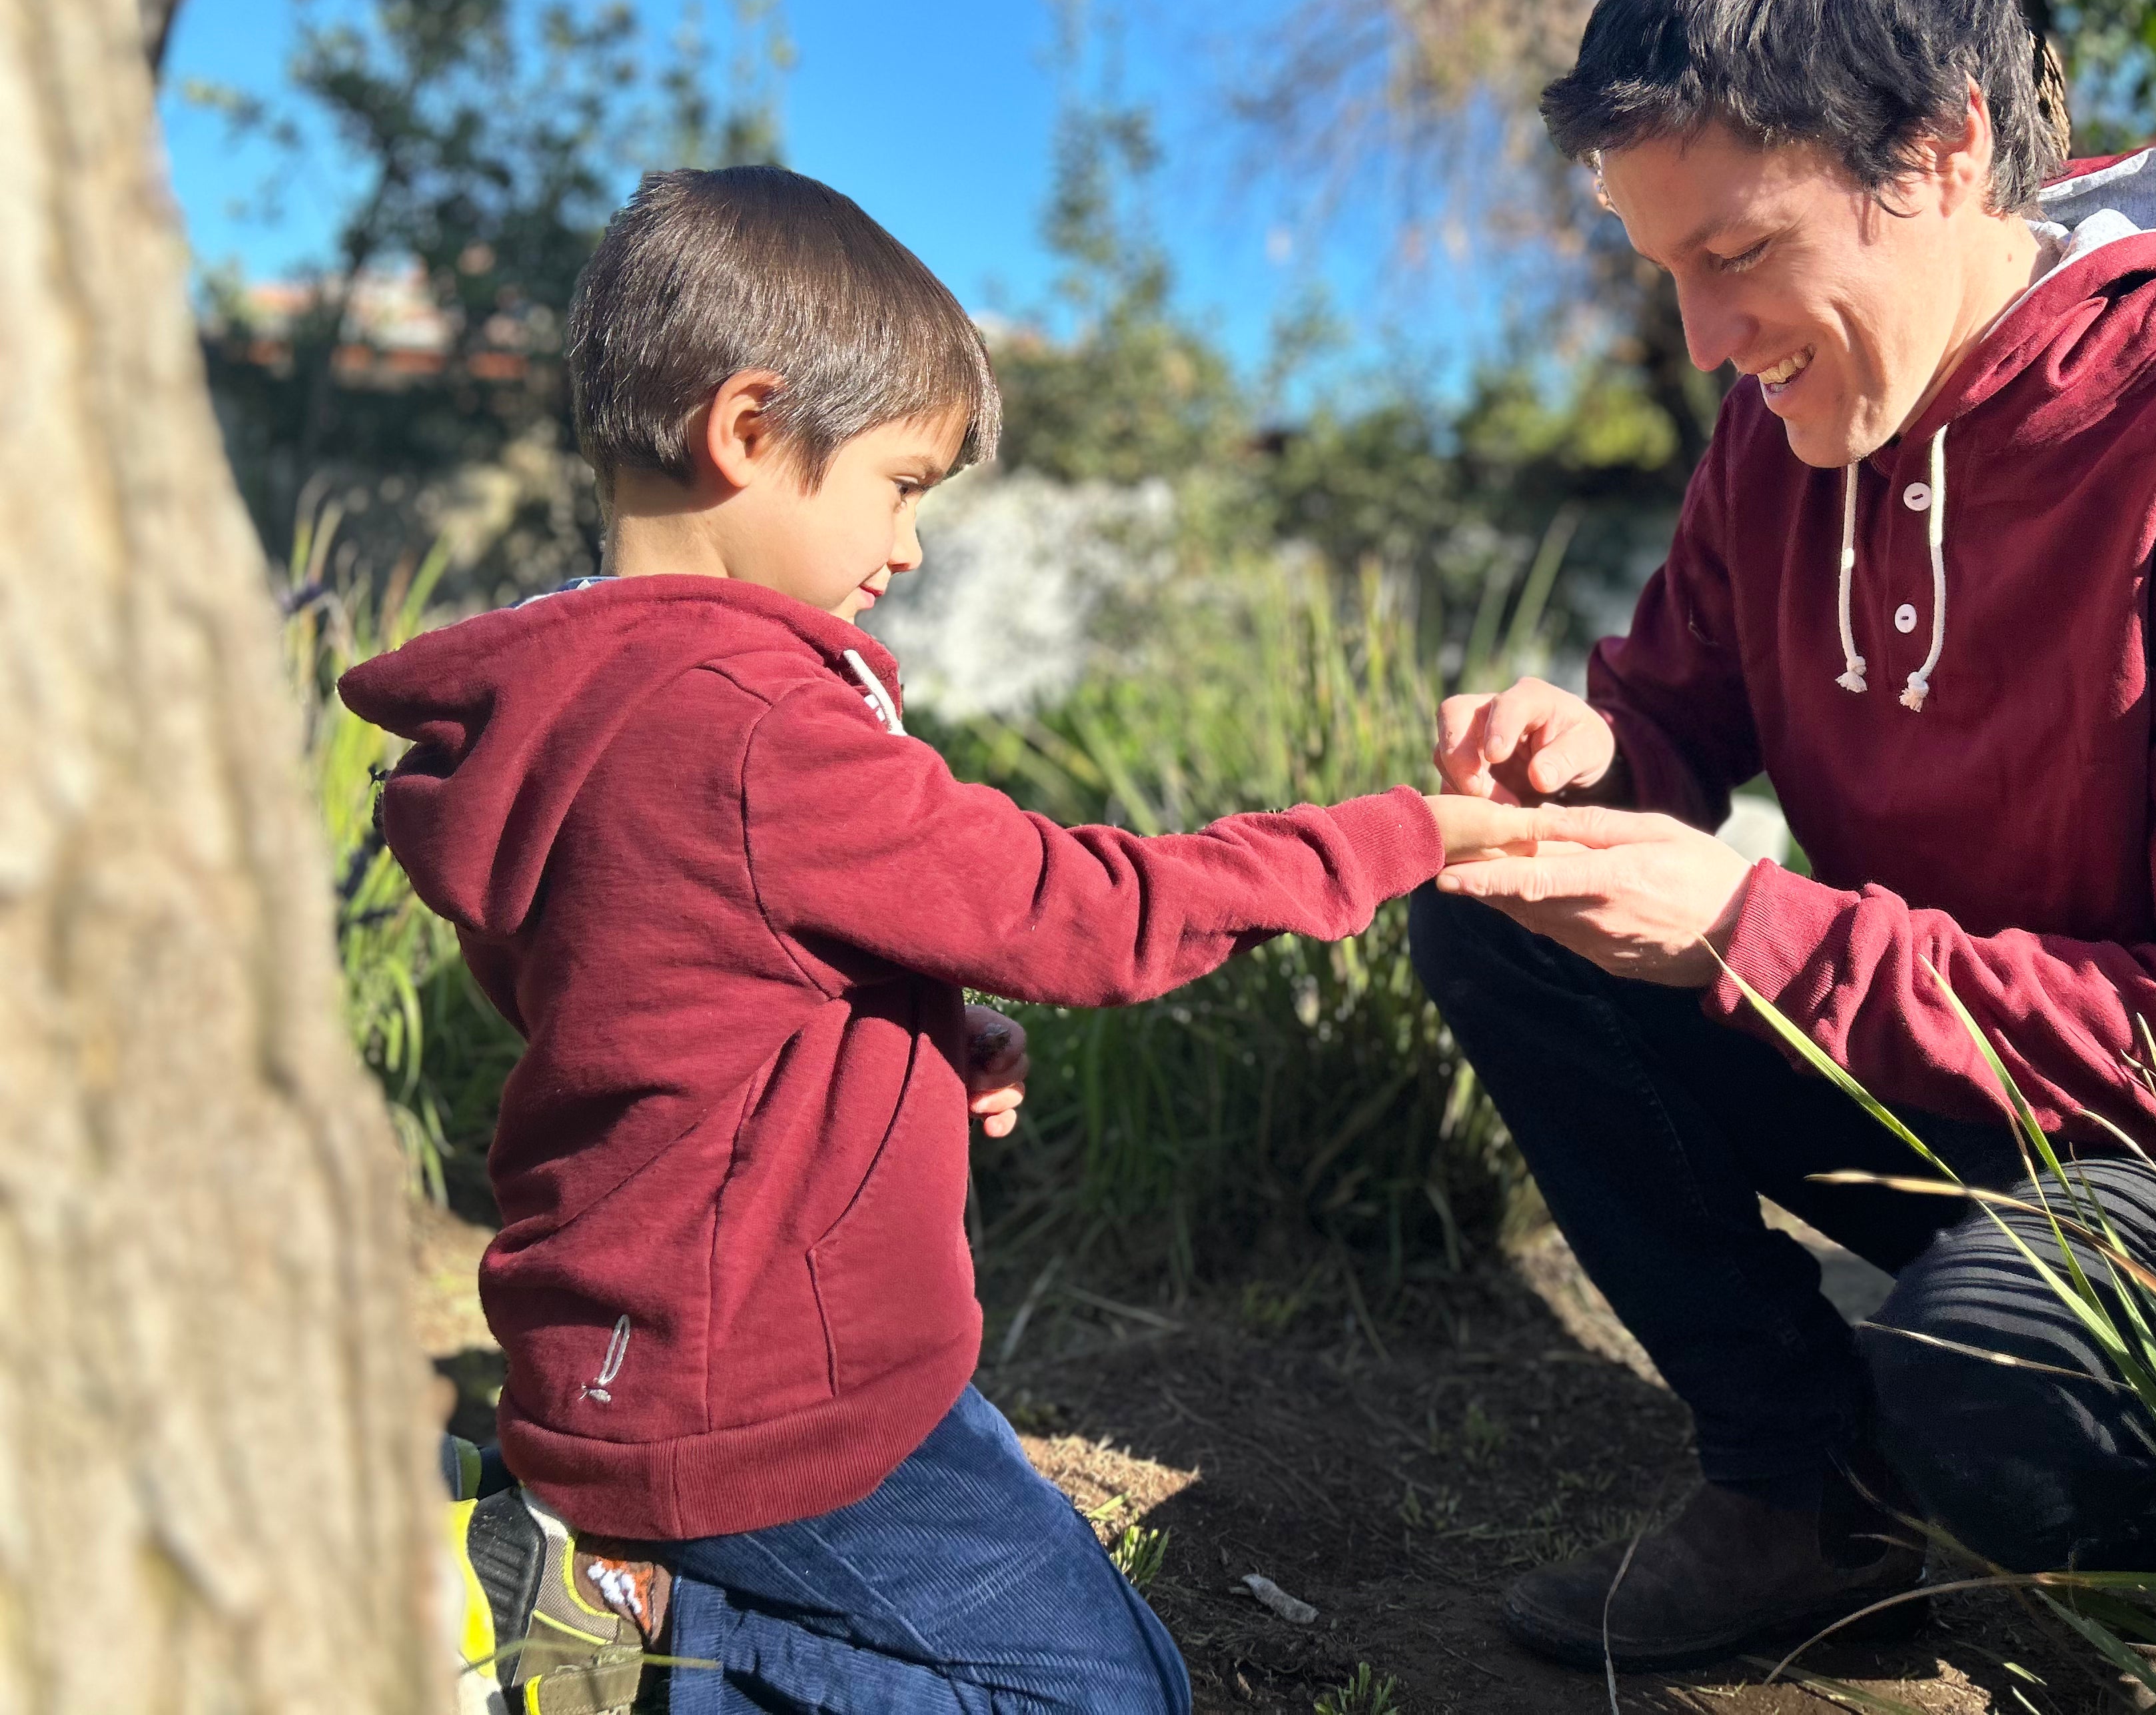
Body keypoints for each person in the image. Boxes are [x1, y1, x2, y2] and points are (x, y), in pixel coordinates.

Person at [1414, 0, 2156, 1674]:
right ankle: (1802, 1490)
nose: (1705, 342)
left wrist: (1762, 939)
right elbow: (1673, 722)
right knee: (1505, 919)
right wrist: (1593, 754)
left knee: (1994, 1365)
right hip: (1963, 1085)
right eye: (1669, 270)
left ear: (1934, 152)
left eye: (1739, 255)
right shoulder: (1783, 441)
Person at [344, 166, 1530, 1715]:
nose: (907, 545)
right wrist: (1404, 839)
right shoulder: (755, 721)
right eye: (901, 485)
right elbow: (1090, 911)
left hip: (658, 1348)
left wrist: (919, 1037)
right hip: (768, 1394)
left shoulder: (580, 710)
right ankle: (609, 1652)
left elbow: (675, 985)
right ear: (750, 430)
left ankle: (548, 1559)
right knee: (1109, 1705)